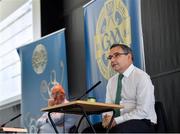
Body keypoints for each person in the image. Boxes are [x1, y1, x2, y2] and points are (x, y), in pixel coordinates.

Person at [83, 44, 157, 133]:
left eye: (117, 55)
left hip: (143, 121)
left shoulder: (141, 77)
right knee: (87, 131)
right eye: (110, 57)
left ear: (129, 57)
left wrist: (116, 121)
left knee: (117, 132)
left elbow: (142, 111)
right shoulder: (111, 81)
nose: (112, 60)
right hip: (117, 123)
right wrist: (107, 119)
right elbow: (108, 107)